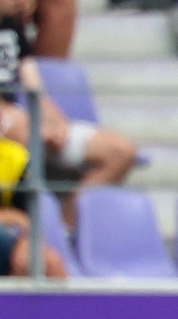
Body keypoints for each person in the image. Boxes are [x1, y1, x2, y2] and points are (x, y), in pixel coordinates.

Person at [0, 0, 137, 213]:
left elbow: (33, 83)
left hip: (22, 124)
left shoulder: (12, 25)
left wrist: (55, 123)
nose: (27, 3)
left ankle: (65, 226)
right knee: (17, 127)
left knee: (120, 151)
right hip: (9, 128)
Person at [0, 135, 66, 277]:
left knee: (49, 262)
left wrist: (28, 239)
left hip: (8, 235)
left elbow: (27, 217)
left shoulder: (17, 157)